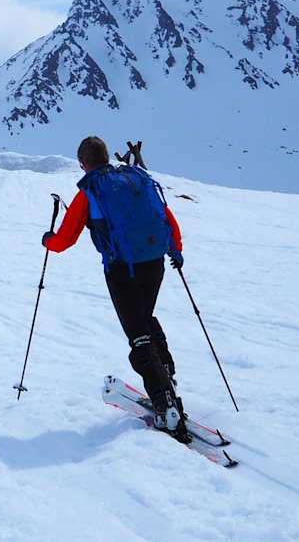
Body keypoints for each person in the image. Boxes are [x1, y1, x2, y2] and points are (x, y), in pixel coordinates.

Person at [42, 135, 189, 438]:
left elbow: (65, 239)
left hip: (122, 270)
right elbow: (165, 217)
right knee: (145, 317)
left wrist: (48, 241)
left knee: (138, 335)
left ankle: (165, 404)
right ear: (107, 157)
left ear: (83, 164)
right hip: (154, 262)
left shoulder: (91, 189)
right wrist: (176, 250)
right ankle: (167, 376)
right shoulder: (137, 179)